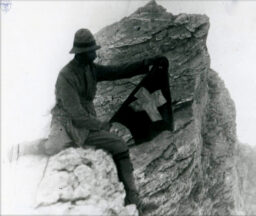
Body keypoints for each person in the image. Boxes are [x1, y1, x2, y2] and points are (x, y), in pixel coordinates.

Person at [47, 28, 166, 211]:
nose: (95, 53)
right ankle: (27, 148)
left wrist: (147, 63)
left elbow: (118, 71)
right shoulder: (66, 77)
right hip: (69, 125)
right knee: (54, 147)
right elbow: (76, 115)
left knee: (118, 145)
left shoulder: (90, 68)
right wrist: (102, 125)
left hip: (87, 124)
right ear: (82, 54)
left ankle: (134, 201)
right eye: (92, 51)